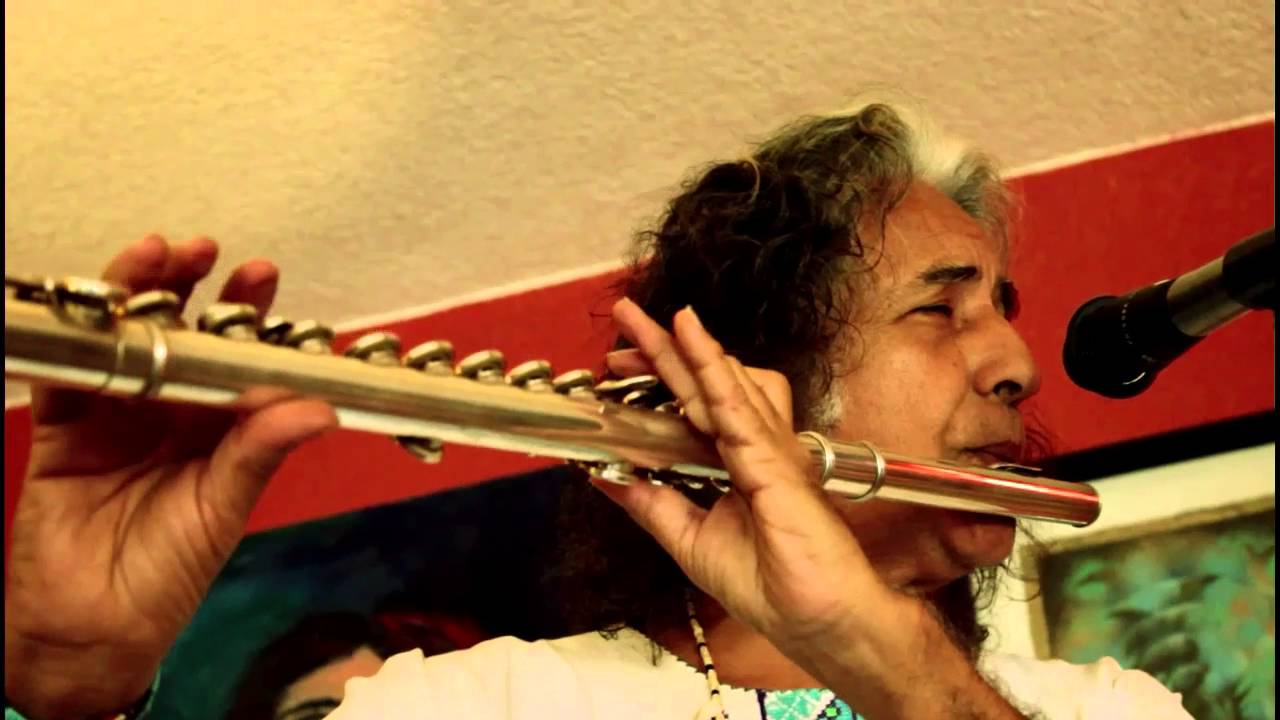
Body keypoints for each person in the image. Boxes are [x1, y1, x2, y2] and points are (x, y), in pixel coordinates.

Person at [3, 102, 1195, 719]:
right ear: (747, 377)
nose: (1016, 363)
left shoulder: (1104, 710)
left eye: (1001, 306)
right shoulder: (475, 708)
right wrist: (71, 700)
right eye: (939, 308)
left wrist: (876, 654)